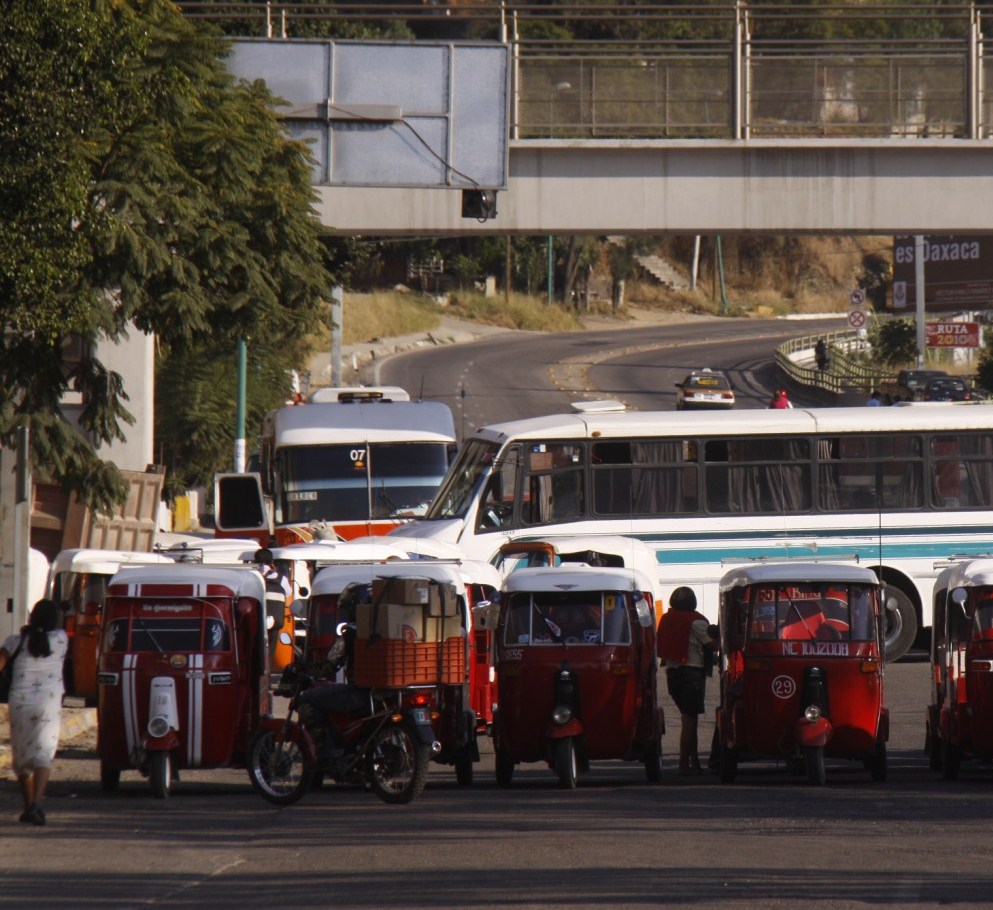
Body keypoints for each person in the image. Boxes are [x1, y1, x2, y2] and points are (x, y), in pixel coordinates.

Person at [0, 599, 68, 825]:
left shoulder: (15, 642)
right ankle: (37, 804)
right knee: (43, 753)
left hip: (19, 702)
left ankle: (28, 805)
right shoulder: (60, 639)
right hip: (47, 704)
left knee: (21, 756)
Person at [656, 587, 718, 776]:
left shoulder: (666, 619)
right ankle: (684, 763)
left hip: (672, 674)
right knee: (690, 720)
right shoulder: (696, 621)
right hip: (691, 673)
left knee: (689, 716)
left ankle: (694, 760)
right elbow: (713, 646)